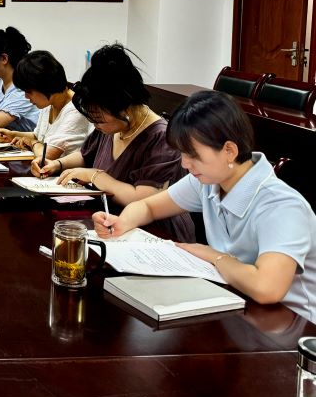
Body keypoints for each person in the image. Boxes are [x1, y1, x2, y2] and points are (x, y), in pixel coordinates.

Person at [94, 90, 316, 322]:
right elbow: (148, 207)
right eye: (182, 153)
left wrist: (214, 257)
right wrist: (121, 223)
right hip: (235, 303)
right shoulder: (209, 181)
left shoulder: (282, 207)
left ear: (229, 151)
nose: (185, 164)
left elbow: (267, 288)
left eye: (192, 155)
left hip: (291, 325)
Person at [40, 44, 194, 242]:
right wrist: (57, 164)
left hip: (156, 234)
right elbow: (85, 155)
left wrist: (95, 176)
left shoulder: (162, 138)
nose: (96, 125)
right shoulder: (111, 126)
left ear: (125, 108)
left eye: (99, 120)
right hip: (111, 220)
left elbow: (143, 199)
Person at [0, 50, 91, 176]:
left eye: (28, 92)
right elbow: (39, 136)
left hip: (67, 177)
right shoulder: (49, 102)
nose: (26, 97)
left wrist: (33, 143)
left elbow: (46, 155)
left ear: (45, 86)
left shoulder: (76, 109)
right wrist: (12, 134)